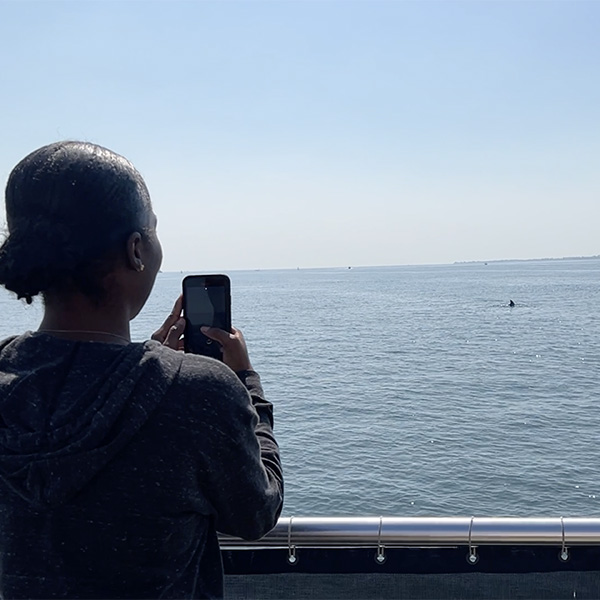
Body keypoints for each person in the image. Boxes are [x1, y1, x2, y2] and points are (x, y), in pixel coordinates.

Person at [0, 141, 283, 599]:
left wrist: (142, 366)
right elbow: (256, 513)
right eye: (152, 230)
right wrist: (249, 388)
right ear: (136, 249)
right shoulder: (200, 393)